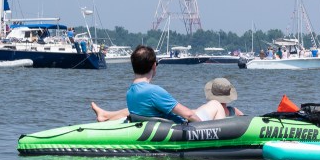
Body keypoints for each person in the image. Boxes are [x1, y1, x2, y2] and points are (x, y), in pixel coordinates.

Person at [90, 45, 232, 123]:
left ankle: (106, 115)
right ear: (154, 66)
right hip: (180, 127)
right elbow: (188, 115)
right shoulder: (154, 92)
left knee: (198, 109)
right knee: (216, 105)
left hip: (161, 121)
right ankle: (222, 140)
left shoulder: (131, 91)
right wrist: (204, 130)